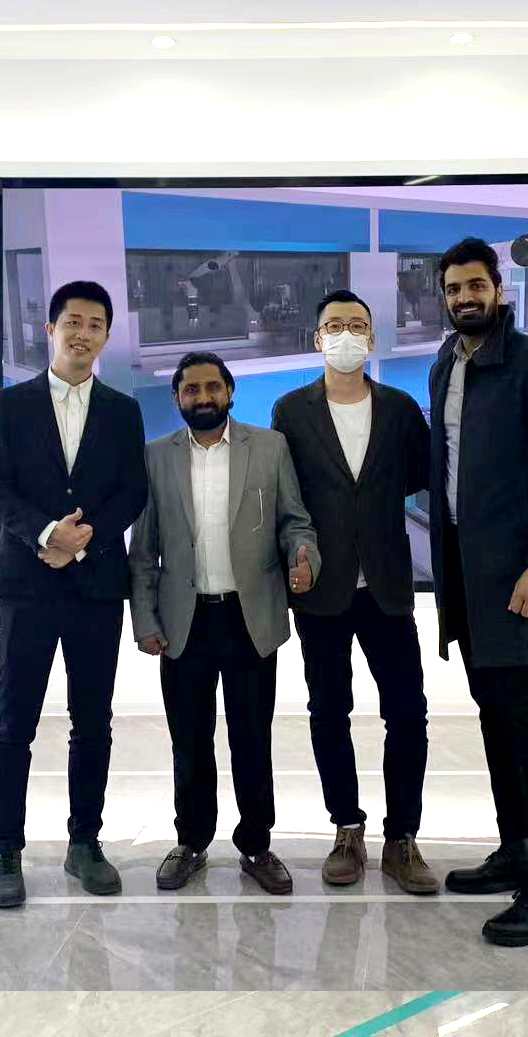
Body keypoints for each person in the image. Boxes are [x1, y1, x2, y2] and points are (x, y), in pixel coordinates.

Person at [427, 237, 528, 947]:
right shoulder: (445, 364)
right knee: (493, 715)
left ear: (497, 288)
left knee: (523, 717)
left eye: (475, 285)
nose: (465, 298)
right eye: (453, 288)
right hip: (466, 572)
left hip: (520, 574)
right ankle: (515, 847)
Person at [0, 280, 149, 909]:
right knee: (12, 724)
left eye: (95, 324)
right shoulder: (9, 405)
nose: (83, 333)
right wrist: (46, 534)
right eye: (73, 321)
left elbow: (133, 491)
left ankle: (85, 844)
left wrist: (82, 540)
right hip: (26, 585)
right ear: (50, 329)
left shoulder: (122, 411)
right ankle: (5, 851)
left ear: (106, 336)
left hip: (95, 588)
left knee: (93, 723)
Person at [129, 352, 321, 895]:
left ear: (230, 392)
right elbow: (143, 550)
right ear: (177, 398)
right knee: (189, 742)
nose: (203, 397)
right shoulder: (156, 458)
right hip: (183, 622)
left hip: (248, 618)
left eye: (212, 387)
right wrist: (144, 617)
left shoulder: (269, 447)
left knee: (251, 740)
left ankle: (256, 845)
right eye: (191, 390)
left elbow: (296, 523)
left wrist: (304, 557)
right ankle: (190, 842)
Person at [270, 290, 437, 894]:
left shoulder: (401, 409)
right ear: (318, 339)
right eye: (335, 325)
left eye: (357, 325)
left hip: (387, 586)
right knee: (328, 712)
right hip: (323, 589)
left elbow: (418, 477)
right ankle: (347, 828)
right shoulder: (291, 411)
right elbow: (287, 497)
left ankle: (403, 838)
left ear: (372, 338)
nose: (346, 334)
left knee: (408, 713)